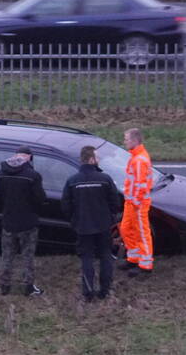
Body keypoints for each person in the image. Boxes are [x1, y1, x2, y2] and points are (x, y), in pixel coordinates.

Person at [61, 145, 120, 301]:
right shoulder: (105, 179)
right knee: (105, 256)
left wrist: (74, 220)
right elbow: (115, 202)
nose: (99, 159)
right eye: (97, 157)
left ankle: (88, 292)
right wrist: (110, 216)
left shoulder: (72, 180)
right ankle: (105, 290)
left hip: (83, 226)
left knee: (86, 258)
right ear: (92, 159)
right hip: (103, 225)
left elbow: (66, 206)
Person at [0, 146, 46, 296]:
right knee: (27, 256)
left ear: (16, 156)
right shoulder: (33, 175)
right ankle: (28, 287)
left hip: (8, 221)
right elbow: (40, 198)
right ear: (29, 157)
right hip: (28, 222)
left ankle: (4, 285)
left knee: (7, 255)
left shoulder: (1, 173)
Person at [119, 127, 154, 276]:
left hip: (137, 204)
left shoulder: (139, 160)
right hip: (131, 202)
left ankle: (145, 266)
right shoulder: (136, 156)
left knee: (141, 233)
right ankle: (133, 258)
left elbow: (140, 185)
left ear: (134, 140)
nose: (124, 142)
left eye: (126, 139)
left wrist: (136, 203)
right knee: (126, 229)